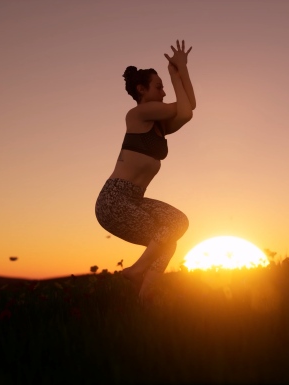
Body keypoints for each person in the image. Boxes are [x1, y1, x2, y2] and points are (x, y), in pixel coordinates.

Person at [95, 40, 196, 301]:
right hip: (114, 200)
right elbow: (184, 107)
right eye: (159, 87)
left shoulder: (161, 126)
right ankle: (137, 271)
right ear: (142, 89)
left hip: (134, 200)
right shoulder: (137, 113)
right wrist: (178, 73)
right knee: (171, 230)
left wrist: (178, 73)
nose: (163, 93)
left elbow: (189, 109)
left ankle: (143, 301)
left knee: (172, 232)